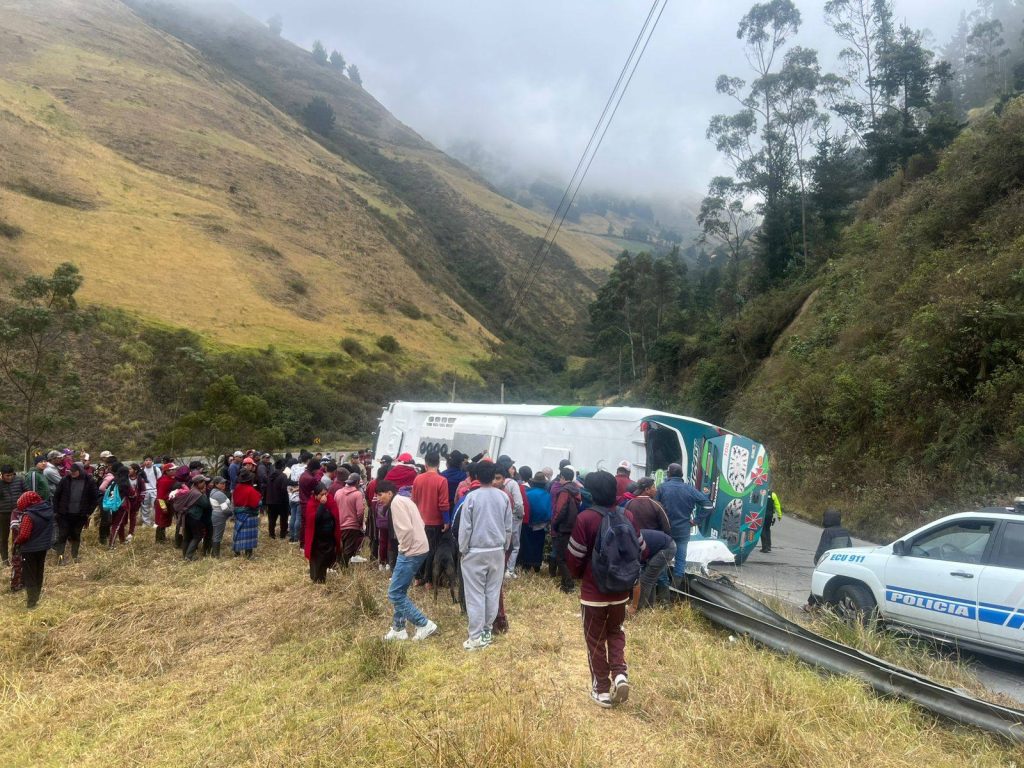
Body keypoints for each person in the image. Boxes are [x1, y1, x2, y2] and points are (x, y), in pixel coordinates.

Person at [566, 470, 643, 708]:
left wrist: (579, 577)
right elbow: (641, 548)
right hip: (620, 591)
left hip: (593, 592)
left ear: (591, 492)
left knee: (595, 640)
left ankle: (602, 690)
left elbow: (575, 556)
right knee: (616, 631)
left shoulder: (585, 518)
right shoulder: (627, 515)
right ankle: (620, 674)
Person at [458, 461, 512, 651]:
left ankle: (475, 637)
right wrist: (505, 546)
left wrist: (463, 549)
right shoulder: (503, 497)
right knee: (492, 592)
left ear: (475, 477)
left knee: (475, 595)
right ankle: (487, 632)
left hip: (475, 551)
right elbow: (508, 526)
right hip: (497, 550)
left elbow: (465, 527)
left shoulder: (471, 498)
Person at [378, 480, 438, 642]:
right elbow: (421, 523)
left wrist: (403, 549)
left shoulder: (396, 504)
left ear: (389, 493)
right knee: (400, 590)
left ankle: (423, 624)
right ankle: (398, 629)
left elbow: (405, 530)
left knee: (395, 593)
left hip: (411, 551)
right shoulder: (405, 499)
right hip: (419, 547)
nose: (379, 498)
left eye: (380, 494)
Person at [656, 463, 713, 584]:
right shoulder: (690, 489)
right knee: (680, 560)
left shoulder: (662, 488)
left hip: (665, 530)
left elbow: (655, 507)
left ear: (669, 473)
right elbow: (708, 506)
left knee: (663, 559)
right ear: (681, 475)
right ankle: (676, 590)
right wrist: (695, 521)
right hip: (683, 530)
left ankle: (664, 590)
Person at [411, 450, 450, 587]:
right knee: (431, 550)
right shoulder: (442, 480)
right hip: (435, 522)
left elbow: (413, 501)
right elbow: (444, 504)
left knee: (418, 549)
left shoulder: (418, 479)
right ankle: (428, 580)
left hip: (419, 521)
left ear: (425, 464)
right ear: (438, 464)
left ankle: (417, 577)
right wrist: (446, 521)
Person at [11, 491, 54, 608]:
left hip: (29, 549)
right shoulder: (48, 511)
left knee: (29, 575)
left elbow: (24, 535)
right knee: (39, 572)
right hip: (43, 547)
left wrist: (16, 542)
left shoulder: (28, 516)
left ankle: (31, 602)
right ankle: (37, 597)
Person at [52, 462, 98, 564]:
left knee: (76, 535)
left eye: (74, 472)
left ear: (80, 471)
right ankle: (60, 559)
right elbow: (56, 496)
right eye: (70, 472)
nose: (72, 474)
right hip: (64, 514)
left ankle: (74, 557)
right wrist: (56, 511)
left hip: (80, 515)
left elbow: (94, 498)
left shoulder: (88, 480)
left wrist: (88, 512)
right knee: (62, 535)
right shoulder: (65, 480)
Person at [549, 465, 581, 593]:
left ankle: (569, 584)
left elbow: (560, 510)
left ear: (562, 477)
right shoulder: (576, 490)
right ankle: (565, 582)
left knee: (560, 558)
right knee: (566, 556)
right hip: (572, 526)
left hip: (563, 527)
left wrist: (554, 524)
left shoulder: (564, 491)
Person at [630, 530, 677, 613]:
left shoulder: (629, 542)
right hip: (660, 547)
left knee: (645, 580)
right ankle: (649, 606)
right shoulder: (627, 539)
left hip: (666, 548)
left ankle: (637, 609)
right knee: (649, 579)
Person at [494, 456, 524, 579]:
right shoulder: (512, 483)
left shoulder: (494, 481)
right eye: (512, 467)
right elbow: (519, 503)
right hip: (512, 518)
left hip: (498, 517)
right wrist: (519, 514)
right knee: (514, 545)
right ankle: (509, 570)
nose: (513, 470)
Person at [335, 472, 367, 567]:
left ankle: (339, 566)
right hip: (352, 526)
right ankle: (343, 568)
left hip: (339, 525)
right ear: (357, 482)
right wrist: (359, 523)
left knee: (340, 547)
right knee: (348, 549)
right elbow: (360, 512)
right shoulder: (357, 494)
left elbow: (334, 508)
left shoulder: (338, 492)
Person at [521, 472, 552, 573]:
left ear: (533, 483)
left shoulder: (527, 493)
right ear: (544, 484)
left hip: (528, 523)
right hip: (542, 524)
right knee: (539, 544)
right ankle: (537, 564)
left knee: (527, 543)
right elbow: (549, 511)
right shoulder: (548, 495)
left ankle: (526, 565)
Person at [308, 488, 340, 582]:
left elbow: (334, 515)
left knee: (326, 559)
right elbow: (315, 519)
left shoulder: (329, 502)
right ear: (316, 495)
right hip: (318, 538)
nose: (324, 496)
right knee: (318, 560)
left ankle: (323, 577)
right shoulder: (312, 504)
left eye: (325, 494)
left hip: (328, 538)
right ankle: (317, 579)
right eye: (321, 494)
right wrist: (321, 505)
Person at [179, 475, 212, 561]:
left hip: (186, 516)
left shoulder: (191, 490)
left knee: (187, 537)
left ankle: (185, 555)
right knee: (197, 536)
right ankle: (189, 556)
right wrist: (204, 493)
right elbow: (206, 504)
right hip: (194, 517)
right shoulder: (197, 494)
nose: (205, 484)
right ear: (198, 483)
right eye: (203, 482)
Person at [0, 465, 27, 567]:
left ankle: (16, 557)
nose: (10, 477)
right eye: (7, 476)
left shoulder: (19, 480)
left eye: (11, 475)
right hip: (3, 513)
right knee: (3, 537)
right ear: (2, 475)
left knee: (18, 536)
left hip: (17, 512)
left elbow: (27, 491)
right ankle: (4, 559)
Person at [232, 468, 261, 559]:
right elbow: (256, 503)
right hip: (249, 515)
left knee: (238, 533)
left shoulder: (237, 488)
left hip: (238, 514)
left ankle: (237, 553)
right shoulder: (251, 490)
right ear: (250, 480)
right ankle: (248, 555)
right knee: (249, 536)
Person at [266, 459, 291, 539]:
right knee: (283, 519)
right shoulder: (283, 476)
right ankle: (282, 534)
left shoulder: (270, 476)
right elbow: (284, 489)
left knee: (272, 519)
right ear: (283, 467)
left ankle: (271, 534)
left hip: (270, 500)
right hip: (281, 501)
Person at [209, 476, 232, 557]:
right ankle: (216, 555)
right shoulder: (219, 494)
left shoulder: (213, 491)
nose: (224, 485)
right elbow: (225, 509)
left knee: (215, 534)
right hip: (220, 516)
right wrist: (232, 513)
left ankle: (213, 553)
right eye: (221, 483)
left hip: (215, 514)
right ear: (216, 484)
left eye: (224, 483)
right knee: (218, 535)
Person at [154, 461, 176, 542]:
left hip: (167, 503)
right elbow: (160, 496)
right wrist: (163, 507)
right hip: (162, 503)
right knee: (161, 522)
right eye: (172, 469)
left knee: (164, 521)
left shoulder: (170, 479)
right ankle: (159, 539)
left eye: (174, 469)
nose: (174, 471)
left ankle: (162, 538)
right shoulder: (164, 481)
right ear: (167, 471)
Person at [126, 463, 146, 542]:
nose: (129, 470)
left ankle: (131, 532)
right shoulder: (126, 478)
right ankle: (122, 530)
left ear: (135, 470)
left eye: (130, 469)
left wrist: (140, 499)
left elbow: (143, 491)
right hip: (126, 500)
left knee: (133, 517)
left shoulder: (139, 479)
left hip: (135, 502)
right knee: (124, 517)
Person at [140, 456, 161, 528]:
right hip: (144, 491)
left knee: (155, 507)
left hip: (154, 490)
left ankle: (156, 522)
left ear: (152, 461)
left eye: (149, 460)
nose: (148, 462)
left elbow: (160, 480)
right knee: (144, 507)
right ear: (144, 462)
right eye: (146, 460)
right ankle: (146, 522)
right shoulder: (141, 470)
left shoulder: (156, 469)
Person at [760, 487, 783, 553]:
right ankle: (769, 546)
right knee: (767, 530)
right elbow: (777, 505)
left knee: (762, 530)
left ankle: (764, 547)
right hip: (770, 515)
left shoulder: (761, 492)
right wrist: (779, 515)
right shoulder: (773, 494)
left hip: (762, 515)